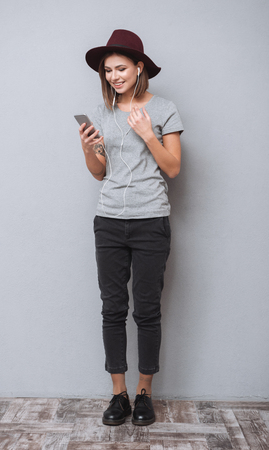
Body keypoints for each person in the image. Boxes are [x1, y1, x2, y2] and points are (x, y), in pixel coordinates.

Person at [78, 29, 184, 426]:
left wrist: (146, 133)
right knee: (112, 309)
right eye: (108, 71)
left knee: (148, 311)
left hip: (150, 221)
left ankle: (144, 394)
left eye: (120, 68)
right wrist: (89, 148)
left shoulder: (164, 109)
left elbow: (172, 168)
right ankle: (117, 395)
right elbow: (99, 173)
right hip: (108, 223)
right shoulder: (102, 113)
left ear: (140, 68)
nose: (113, 76)